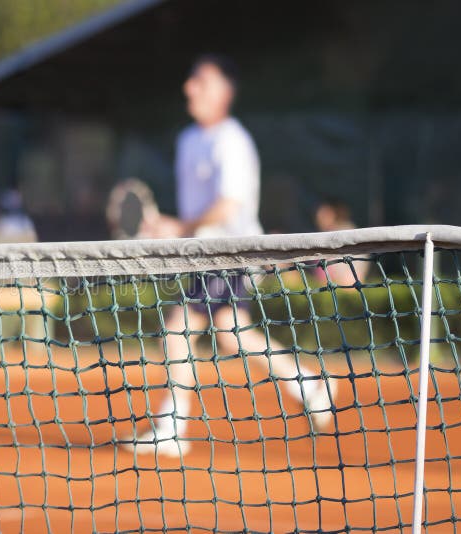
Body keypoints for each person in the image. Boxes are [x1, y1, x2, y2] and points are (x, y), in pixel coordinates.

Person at [133, 55, 336, 457]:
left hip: (233, 253)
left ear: (225, 92)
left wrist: (181, 226)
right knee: (230, 332)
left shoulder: (232, 141)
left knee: (177, 330)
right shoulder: (188, 141)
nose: (190, 88)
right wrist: (173, 228)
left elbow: (228, 205)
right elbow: (197, 213)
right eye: (191, 81)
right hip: (206, 254)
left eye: (201, 82)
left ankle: (172, 427)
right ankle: (308, 383)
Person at [313, 198, 368, 286]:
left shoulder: (348, 233)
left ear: (334, 214)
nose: (319, 217)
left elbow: (356, 268)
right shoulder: (323, 237)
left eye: (325, 214)